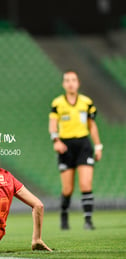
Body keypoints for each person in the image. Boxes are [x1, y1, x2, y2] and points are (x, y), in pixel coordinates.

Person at [49, 70, 102, 230]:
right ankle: (64, 215)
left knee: (86, 184)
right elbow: (52, 125)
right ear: (63, 84)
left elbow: (92, 126)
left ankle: (88, 221)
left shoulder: (86, 102)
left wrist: (98, 146)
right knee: (68, 188)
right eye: (67, 80)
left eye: (73, 80)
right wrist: (56, 141)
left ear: (78, 83)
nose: (70, 83)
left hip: (83, 145)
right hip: (66, 146)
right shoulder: (57, 103)